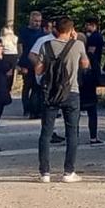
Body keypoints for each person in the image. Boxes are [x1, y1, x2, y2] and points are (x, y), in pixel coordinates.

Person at [30, 16, 88, 183]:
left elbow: (39, 70)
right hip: (71, 91)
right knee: (72, 132)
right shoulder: (78, 45)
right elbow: (85, 65)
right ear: (71, 30)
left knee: (46, 132)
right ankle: (68, 172)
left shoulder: (46, 45)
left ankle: (44, 173)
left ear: (55, 29)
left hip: (50, 92)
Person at [16, 11, 46, 118]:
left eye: (39, 21)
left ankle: (35, 109)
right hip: (26, 63)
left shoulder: (41, 33)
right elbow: (20, 46)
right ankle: (26, 108)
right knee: (26, 87)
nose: (37, 23)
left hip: (37, 63)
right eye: (35, 21)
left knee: (36, 87)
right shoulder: (24, 31)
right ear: (30, 20)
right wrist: (21, 63)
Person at [81, 18, 105, 145]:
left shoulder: (94, 38)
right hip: (90, 79)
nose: (86, 27)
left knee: (74, 112)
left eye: (87, 24)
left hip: (79, 83)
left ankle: (72, 136)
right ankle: (93, 137)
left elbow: (91, 52)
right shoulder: (98, 37)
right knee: (92, 110)